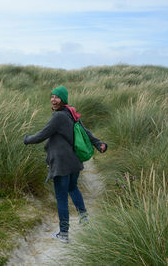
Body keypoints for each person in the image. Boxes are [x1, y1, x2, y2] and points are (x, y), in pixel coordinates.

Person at [23, 86, 107, 243]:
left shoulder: (58, 117)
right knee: (73, 188)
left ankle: (63, 233)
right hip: (74, 162)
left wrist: (26, 139)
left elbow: (42, 135)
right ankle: (84, 218)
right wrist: (98, 144)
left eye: (57, 97)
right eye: (52, 96)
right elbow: (86, 131)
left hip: (61, 164)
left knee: (61, 197)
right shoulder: (72, 112)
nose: (54, 99)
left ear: (64, 99)